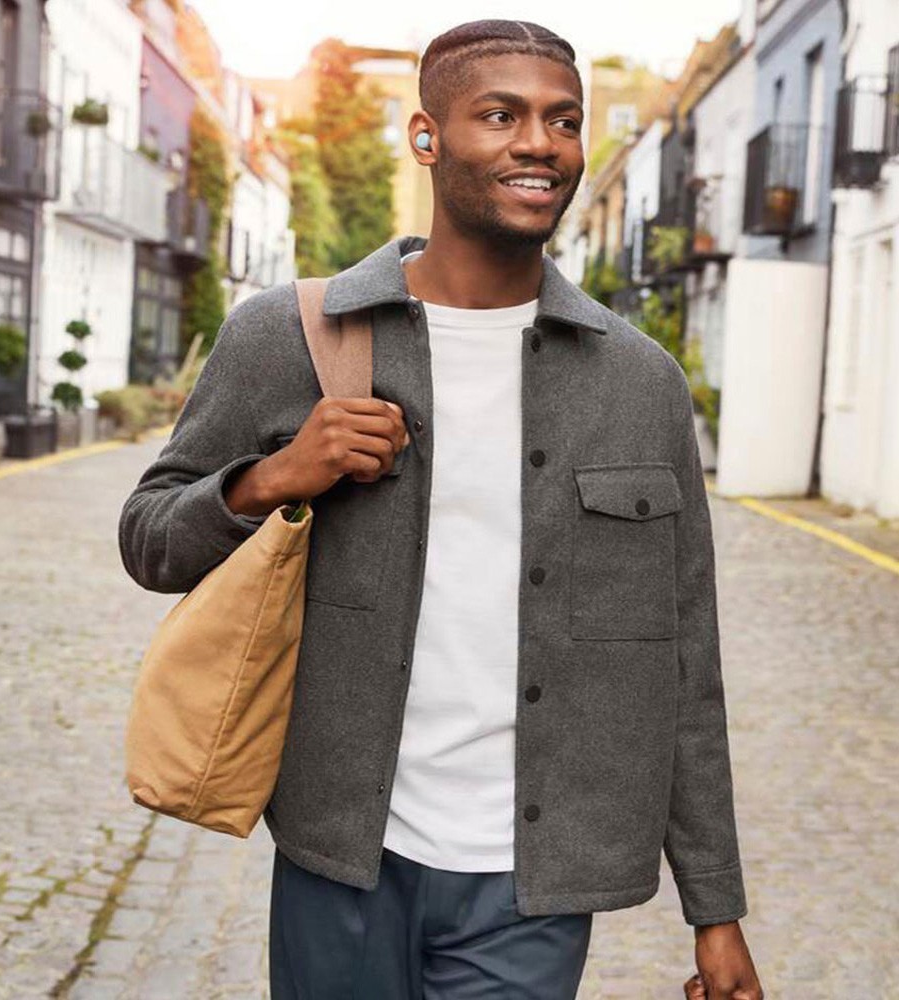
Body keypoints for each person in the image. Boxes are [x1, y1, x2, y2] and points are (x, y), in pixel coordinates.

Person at [118, 18, 763, 1000]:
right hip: (343, 855)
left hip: (533, 885)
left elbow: (685, 655)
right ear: (427, 138)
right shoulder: (290, 335)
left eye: (562, 121)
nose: (538, 143)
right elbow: (150, 539)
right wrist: (272, 477)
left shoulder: (640, 384)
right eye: (499, 116)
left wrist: (715, 915)